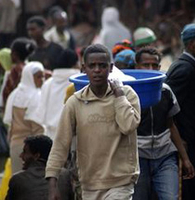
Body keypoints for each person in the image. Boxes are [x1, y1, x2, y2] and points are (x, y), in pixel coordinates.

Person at [46, 44, 141, 200]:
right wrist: (52, 185)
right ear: (84, 69)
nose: (97, 70)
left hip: (121, 182)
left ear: (110, 68)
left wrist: (119, 97)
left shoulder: (127, 95)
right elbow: (60, 144)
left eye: (102, 66)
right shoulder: (75, 102)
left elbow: (128, 126)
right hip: (89, 184)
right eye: (92, 66)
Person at [133, 47, 195, 200]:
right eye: (145, 65)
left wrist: (185, 159)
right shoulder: (129, 93)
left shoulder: (165, 91)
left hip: (165, 155)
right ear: (136, 67)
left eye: (154, 66)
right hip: (138, 157)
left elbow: (171, 125)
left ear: (160, 68)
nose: (150, 69)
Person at [165, 23, 195, 200]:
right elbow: (166, 105)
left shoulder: (190, 66)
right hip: (188, 140)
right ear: (194, 44)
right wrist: (179, 138)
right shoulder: (184, 69)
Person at [3, 61, 45, 174]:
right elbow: (37, 128)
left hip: (15, 146)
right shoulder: (36, 97)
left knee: (17, 181)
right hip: (31, 150)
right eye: (38, 77)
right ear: (29, 77)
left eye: (43, 76)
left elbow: (11, 124)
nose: (41, 80)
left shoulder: (15, 94)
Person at [35, 49, 79, 140]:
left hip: (51, 134)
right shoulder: (79, 82)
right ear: (74, 64)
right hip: (74, 134)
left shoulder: (48, 83)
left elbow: (40, 112)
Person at [6, 135, 52, 200]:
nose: (21, 155)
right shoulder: (64, 175)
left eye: (25, 152)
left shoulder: (18, 179)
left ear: (36, 156)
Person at [2, 37, 36, 107]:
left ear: (14, 54)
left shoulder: (15, 70)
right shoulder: (32, 68)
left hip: (14, 106)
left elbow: (7, 92)